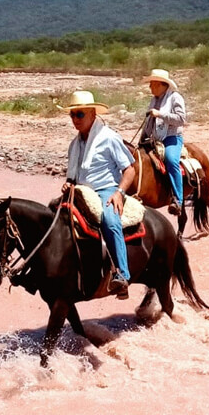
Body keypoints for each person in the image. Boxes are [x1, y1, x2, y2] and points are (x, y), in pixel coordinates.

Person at [60, 91, 135, 299]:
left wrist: (119, 193)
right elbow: (72, 177)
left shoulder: (109, 138)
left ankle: (122, 275)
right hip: (81, 191)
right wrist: (68, 184)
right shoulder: (74, 145)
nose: (75, 119)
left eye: (80, 115)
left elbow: (130, 169)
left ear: (92, 114)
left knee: (110, 220)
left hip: (105, 189)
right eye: (72, 115)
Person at [140, 69, 186, 216]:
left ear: (161, 84)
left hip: (172, 138)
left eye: (152, 84)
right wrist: (143, 138)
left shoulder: (175, 98)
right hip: (155, 138)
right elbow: (149, 122)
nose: (150, 87)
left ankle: (178, 199)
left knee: (171, 160)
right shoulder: (154, 100)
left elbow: (181, 119)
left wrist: (160, 114)